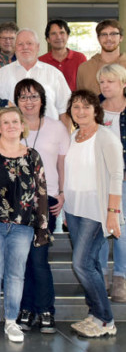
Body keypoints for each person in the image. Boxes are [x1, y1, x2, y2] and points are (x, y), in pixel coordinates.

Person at [0, 107, 50, 344]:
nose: (11, 126)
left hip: (23, 226)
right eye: (5, 122)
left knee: (16, 276)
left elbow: (41, 192)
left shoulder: (33, 155)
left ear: (22, 125)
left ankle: (12, 322)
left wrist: (42, 227)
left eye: (15, 121)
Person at [64, 90, 123, 338]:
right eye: (76, 107)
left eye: (86, 107)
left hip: (95, 211)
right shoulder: (73, 136)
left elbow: (116, 176)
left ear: (95, 110)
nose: (81, 111)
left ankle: (106, 319)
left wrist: (112, 213)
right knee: (90, 264)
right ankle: (95, 314)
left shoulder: (106, 137)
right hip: (74, 210)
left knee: (81, 263)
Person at [14, 79, 68, 333]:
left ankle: (45, 310)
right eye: (23, 97)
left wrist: (63, 193)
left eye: (34, 96)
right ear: (16, 102)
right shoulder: (12, 127)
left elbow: (62, 165)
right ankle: (26, 309)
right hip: (17, 204)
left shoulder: (57, 128)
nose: (29, 101)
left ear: (42, 100)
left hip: (48, 202)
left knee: (38, 259)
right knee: (23, 259)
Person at [0, 29, 71, 122]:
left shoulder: (54, 74)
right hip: (14, 134)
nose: (25, 47)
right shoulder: (1, 74)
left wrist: (65, 136)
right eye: (20, 44)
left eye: (29, 43)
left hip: (49, 134)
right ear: (15, 47)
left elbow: (64, 111)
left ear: (38, 47)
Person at [97, 64, 126, 303]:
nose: (105, 86)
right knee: (99, 229)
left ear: (123, 83)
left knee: (122, 231)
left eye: (111, 81)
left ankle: (121, 279)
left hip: (124, 180)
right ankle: (99, 279)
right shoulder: (94, 110)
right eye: (102, 82)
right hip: (100, 180)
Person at [77, 19, 126, 95]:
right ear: (98, 39)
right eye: (104, 34)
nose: (108, 38)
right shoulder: (84, 68)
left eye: (113, 34)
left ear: (121, 38)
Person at [39, 19, 86, 92]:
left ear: (67, 36)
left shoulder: (80, 58)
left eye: (62, 33)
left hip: (75, 102)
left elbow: (84, 86)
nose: (58, 37)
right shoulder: (41, 61)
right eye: (53, 34)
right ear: (47, 39)